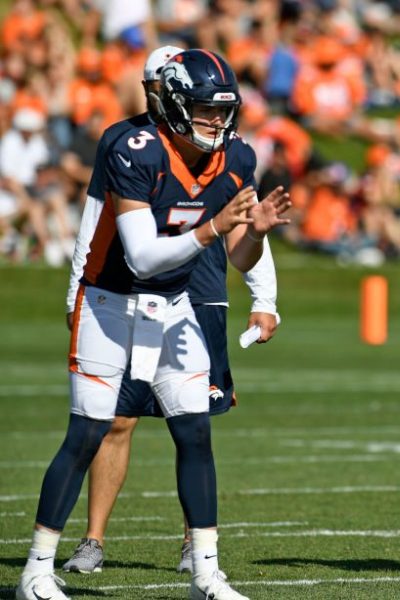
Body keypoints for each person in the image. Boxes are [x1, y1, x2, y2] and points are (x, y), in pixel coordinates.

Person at [15, 49, 291, 600]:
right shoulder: (133, 148)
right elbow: (141, 257)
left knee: (195, 431)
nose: (218, 121)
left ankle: (206, 574)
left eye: (223, 110)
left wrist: (255, 231)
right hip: (111, 303)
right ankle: (36, 571)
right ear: (172, 105)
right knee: (89, 432)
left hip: (176, 304)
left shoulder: (236, 157)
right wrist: (214, 228)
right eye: (205, 110)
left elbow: (239, 255)